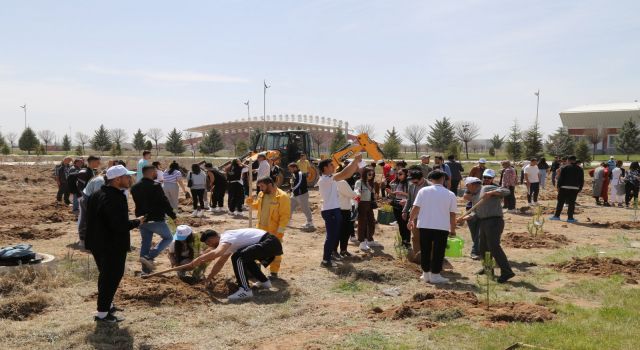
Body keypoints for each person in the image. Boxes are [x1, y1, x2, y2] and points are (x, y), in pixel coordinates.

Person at [85, 165, 142, 322]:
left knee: (106, 276)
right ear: (117, 179)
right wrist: (137, 222)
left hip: (98, 242)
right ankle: (102, 313)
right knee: (111, 277)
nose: (129, 179)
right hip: (111, 245)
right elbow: (119, 225)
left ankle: (108, 305)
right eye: (127, 176)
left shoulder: (97, 194)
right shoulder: (116, 197)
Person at [189, 228, 283, 301]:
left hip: (269, 242)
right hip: (270, 243)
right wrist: (209, 278)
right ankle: (264, 282)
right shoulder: (227, 244)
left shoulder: (225, 238)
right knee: (245, 258)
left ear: (213, 237)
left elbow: (218, 252)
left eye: (208, 242)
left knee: (237, 257)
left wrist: (200, 258)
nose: (209, 245)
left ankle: (245, 290)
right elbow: (220, 263)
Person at [407, 170, 457, 284]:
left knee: (425, 250)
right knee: (438, 251)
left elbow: (415, 207)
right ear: (443, 179)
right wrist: (453, 230)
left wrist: (410, 220)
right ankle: (435, 275)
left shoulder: (423, 191)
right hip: (441, 227)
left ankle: (425, 274)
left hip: (424, 225)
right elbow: (452, 214)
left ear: (430, 179)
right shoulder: (450, 194)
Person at [317, 153, 363, 268]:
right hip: (330, 210)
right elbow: (344, 174)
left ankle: (329, 256)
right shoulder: (325, 180)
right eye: (331, 165)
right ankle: (326, 260)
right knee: (331, 236)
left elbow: (348, 174)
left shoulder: (330, 178)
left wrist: (355, 163)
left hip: (334, 210)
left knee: (334, 235)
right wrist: (355, 161)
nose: (333, 166)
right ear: (325, 168)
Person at [131, 165, 177, 274]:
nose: (156, 173)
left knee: (145, 243)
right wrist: (173, 215)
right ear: (151, 172)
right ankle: (150, 256)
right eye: (155, 171)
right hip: (156, 219)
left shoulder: (134, 187)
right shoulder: (156, 185)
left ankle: (145, 270)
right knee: (168, 238)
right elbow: (164, 202)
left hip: (142, 219)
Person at [473, 169, 515, 283]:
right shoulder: (480, 190)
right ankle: (487, 268)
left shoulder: (492, 187)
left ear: (492, 179)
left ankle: (507, 272)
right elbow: (478, 208)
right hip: (484, 221)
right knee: (483, 248)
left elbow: (506, 191)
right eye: (485, 177)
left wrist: (492, 193)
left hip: (494, 221)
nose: (486, 179)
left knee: (494, 247)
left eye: (489, 178)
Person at [246, 176, 291, 278]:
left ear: (270, 184)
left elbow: (285, 216)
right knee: (257, 249)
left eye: (262, 186)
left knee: (274, 251)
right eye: (259, 186)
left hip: (274, 230)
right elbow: (258, 206)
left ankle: (274, 272)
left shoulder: (282, 197)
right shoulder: (262, 194)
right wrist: (250, 203)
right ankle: (256, 271)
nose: (260, 188)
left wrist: (280, 231)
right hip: (260, 228)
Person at [402, 169, 429, 263]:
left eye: (416, 181)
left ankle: (428, 256)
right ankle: (418, 256)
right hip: (415, 215)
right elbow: (409, 199)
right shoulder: (411, 185)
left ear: (422, 178)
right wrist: (405, 211)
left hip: (427, 216)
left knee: (426, 237)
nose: (414, 183)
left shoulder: (430, 186)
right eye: (412, 181)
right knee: (415, 237)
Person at [76, 155, 102, 248]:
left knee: (89, 218)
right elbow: (80, 186)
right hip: (86, 198)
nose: (99, 163)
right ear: (91, 162)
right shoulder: (84, 172)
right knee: (84, 218)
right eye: (97, 161)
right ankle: (82, 239)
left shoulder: (92, 171)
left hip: (91, 198)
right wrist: (83, 197)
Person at [550, 156, 584, 223]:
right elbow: (581, 179)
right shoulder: (580, 169)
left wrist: (558, 186)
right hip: (575, 188)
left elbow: (561, 178)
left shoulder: (565, 167)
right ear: (575, 160)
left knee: (560, 202)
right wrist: (580, 188)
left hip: (564, 187)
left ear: (568, 160)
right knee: (571, 203)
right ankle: (570, 218)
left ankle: (556, 216)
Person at [355, 167, 379, 251]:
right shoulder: (359, 182)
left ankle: (369, 240)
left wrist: (375, 196)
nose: (371, 176)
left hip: (369, 204)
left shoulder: (371, 183)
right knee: (362, 223)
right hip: (362, 204)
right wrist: (358, 193)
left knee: (371, 221)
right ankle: (362, 242)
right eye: (369, 174)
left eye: (372, 174)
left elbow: (373, 194)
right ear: (365, 174)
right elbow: (357, 190)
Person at [387, 168, 410, 248]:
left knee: (405, 224)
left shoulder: (409, 183)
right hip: (396, 204)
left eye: (400, 174)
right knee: (400, 224)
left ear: (406, 175)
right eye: (397, 174)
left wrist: (401, 193)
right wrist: (390, 193)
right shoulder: (395, 183)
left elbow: (411, 196)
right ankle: (403, 241)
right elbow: (394, 195)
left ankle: (407, 241)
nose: (398, 175)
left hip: (405, 205)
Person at [288, 163, 314, 230]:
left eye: (290, 169)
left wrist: (292, 189)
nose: (289, 170)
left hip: (302, 195)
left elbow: (299, 183)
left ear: (295, 168)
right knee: (289, 207)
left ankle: (310, 222)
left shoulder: (300, 174)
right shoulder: (293, 174)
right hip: (294, 195)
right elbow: (293, 183)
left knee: (305, 208)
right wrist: (292, 191)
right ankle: (287, 221)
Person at [336, 179, 357, 257]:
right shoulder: (342, 182)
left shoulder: (332, 181)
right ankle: (342, 250)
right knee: (345, 231)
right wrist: (357, 192)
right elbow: (351, 194)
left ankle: (339, 251)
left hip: (336, 209)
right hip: (343, 210)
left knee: (339, 231)